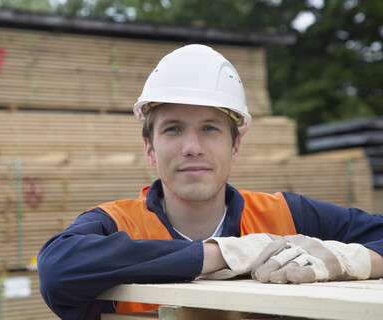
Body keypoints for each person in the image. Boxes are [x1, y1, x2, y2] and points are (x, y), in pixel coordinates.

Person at [37, 44, 383, 320]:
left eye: (209, 128)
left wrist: (348, 259)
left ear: (234, 147)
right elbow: (57, 269)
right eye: (173, 128)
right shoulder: (116, 224)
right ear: (150, 149)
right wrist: (225, 254)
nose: (192, 148)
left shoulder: (284, 216)